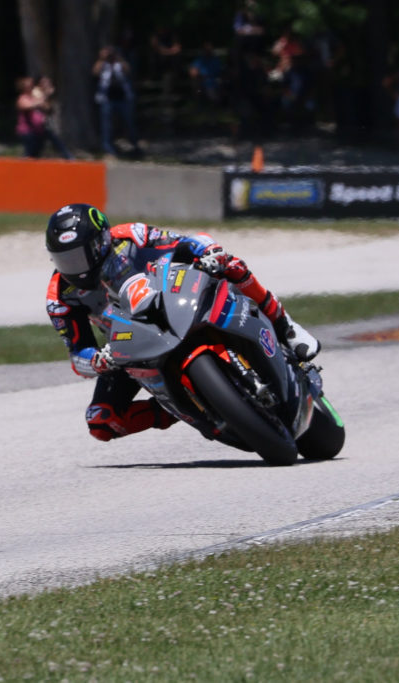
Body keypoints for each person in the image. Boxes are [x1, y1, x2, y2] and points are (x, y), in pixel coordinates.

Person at [44, 204, 319, 442]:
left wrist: (209, 252)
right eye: (64, 259)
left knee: (230, 264)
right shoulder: (59, 297)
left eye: (79, 256)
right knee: (100, 422)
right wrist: (97, 361)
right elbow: (77, 353)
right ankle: (182, 409)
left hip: (174, 297)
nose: (75, 268)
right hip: (130, 345)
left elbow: (183, 241)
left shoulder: (129, 235)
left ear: (101, 241)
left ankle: (287, 327)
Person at [92, 47, 141, 157]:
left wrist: (118, 58)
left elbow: (127, 69)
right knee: (107, 125)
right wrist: (102, 59)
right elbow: (95, 72)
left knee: (129, 123)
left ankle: (135, 146)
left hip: (123, 98)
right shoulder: (103, 65)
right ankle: (108, 148)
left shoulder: (119, 64)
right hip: (107, 99)